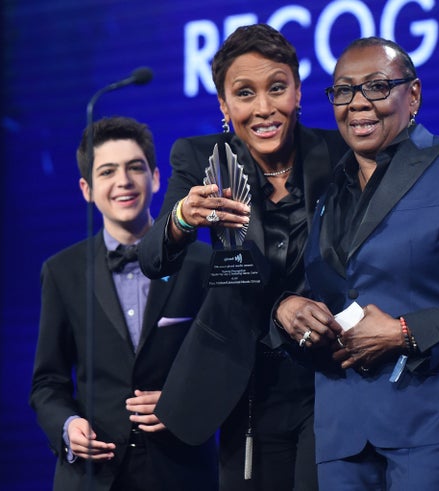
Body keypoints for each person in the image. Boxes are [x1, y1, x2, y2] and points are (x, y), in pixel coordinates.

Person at [274, 37, 439, 490]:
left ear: (412, 94)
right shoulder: (327, 193)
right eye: (343, 91)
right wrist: (288, 311)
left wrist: (406, 332)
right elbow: (327, 293)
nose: (358, 103)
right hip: (343, 440)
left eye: (377, 87)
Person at [137, 24, 347, 491]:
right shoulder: (199, 156)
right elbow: (154, 257)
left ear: (297, 90)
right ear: (224, 107)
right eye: (244, 93)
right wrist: (183, 217)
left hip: (329, 376)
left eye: (277, 88)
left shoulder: (336, 153)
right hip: (244, 378)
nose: (263, 108)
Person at [29, 116, 217, 491]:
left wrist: (187, 403)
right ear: (87, 188)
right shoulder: (62, 271)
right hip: (92, 474)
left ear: (157, 177)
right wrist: (68, 427)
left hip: (182, 471)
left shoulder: (201, 263)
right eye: (107, 171)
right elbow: (47, 382)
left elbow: (227, 364)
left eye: (135, 167)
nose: (123, 182)